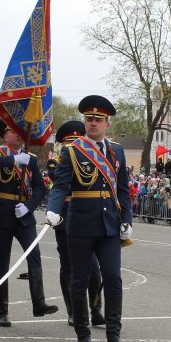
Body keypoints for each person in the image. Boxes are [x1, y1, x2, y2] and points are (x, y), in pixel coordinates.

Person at [46, 95, 133, 342]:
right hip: (81, 223)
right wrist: (52, 209)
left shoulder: (116, 150)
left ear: (107, 123)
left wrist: (127, 219)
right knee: (79, 280)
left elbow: (122, 189)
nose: (92, 123)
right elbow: (61, 186)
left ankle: (113, 336)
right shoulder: (72, 150)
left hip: (108, 225)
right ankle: (83, 335)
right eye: (89, 119)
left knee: (113, 278)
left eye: (98, 119)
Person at [0, 120, 57, 327]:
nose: (17, 135)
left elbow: (40, 189)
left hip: (23, 213)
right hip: (2, 213)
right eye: (11, 131)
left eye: (19, 131)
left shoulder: (31, 159)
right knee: (2, 262)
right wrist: (14, 160)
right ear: (4, 134)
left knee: (34, 256)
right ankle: (2, 311)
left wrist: (29, 206)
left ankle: (39, 303)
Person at [51, 120, 104, 327]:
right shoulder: (58, 161)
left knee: (94, 267)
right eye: (68, 142)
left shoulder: (92, 159)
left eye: (76, 140)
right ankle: (73, 310)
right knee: (68, 265)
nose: (72, 144)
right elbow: (61, 179)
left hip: (87, 215)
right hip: (64, 216)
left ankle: (96, 307)